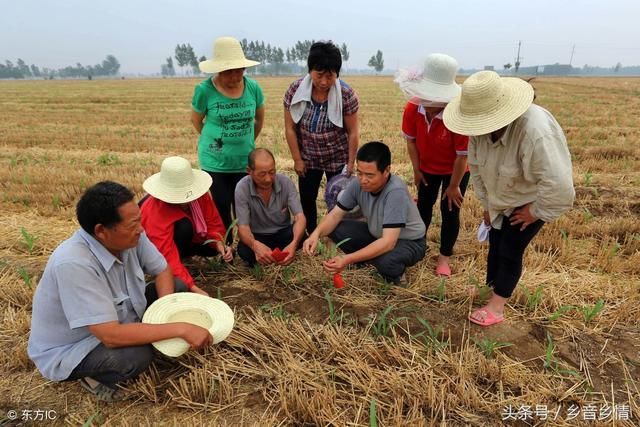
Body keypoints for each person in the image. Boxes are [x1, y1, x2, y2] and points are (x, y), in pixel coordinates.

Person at [28, 182, 213, 401]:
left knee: (177, 286)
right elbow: (110, 335)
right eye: (133, 224)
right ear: (101, 231)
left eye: (139, 221)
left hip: (121, 317)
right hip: (80, 344)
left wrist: (165, 314)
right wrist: (181, 328)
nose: (141, 229)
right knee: (136, 356)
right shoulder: (74, 263)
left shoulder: (132, 235)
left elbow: (163, 269)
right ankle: (94, 377)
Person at [443, 70, 575, 326]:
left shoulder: (534, 131)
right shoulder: (478, 130)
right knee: (496, 243)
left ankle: (497, 305)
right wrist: (488, 205)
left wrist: (534, 211)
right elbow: (478, 169)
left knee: (511, 248)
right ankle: (491, 288)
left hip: (529, 200)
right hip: (500, 198)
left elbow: (559, 185)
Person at [303, 141, 427, 285]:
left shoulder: (395, 192)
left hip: (408, 241)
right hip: (376, 234)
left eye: (369, 175)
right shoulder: (357, 183)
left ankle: (396, 274)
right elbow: (335, 214)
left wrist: (347, 259)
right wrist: (315, 234)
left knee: (386, 261)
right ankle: (369, 258)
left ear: (386, 171)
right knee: (337, 228)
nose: (363, 180)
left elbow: (388, 242)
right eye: (359, 173)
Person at [395, 53, 470, 278]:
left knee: (450, 211)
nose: (428, 104)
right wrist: (417, 170)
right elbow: (411, 141)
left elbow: (462, 156)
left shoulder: (458, 115)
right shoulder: (412, 109)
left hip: (455, 170)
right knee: (423, 208)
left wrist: (454, 185)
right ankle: (418, 246)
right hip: (426, 167)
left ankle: (444, 257)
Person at [191, 36, 265, 244]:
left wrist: (245, 143)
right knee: (222, 205)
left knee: (242, 204)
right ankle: (227, 247)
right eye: (228, 71)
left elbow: (259, 120)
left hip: (243, 160)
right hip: (215, 162)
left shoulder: (253, 88)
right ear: (218, 70)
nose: (235, 76)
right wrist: (217, 143)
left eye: (239, 70)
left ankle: (247, 244)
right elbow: (197, 121)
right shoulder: (204, 90)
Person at [284, 41, 360, 236]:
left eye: (330, 76)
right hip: (308, 157)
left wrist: (350, 163)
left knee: (338, 198)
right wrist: (297, 159)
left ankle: (334, 236)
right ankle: (310, 234)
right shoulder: (295, 90)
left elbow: (353, 132)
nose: (324, 82)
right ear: (310, 70)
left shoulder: (346, 94)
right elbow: (290, 128)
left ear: (337, 74)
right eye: (319, 75)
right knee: (307, 198)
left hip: (337, 156)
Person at [140, 156, 234, 295]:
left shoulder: (199, 195)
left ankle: (186, 255)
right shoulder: (154, 211)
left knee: (211, 249)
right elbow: (165, 256)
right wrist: (193, 288)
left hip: (191, 239)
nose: (185, 201)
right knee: (184, 227)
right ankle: (181, 260)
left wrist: (218, 243)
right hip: (160, 249)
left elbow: (213, 223)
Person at [235, 148, 306, 266]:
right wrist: (254, 245)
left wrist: (293, 243)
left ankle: (282, 254)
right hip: (258, 236)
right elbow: (243, 227)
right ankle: (268, 256)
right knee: (244, 250)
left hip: (283, 233)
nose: (268, 179)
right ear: (249, 171)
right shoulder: (242, 188)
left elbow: (300, 217)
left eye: (272, 172)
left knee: (301, 236)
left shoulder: (286, 182)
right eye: (262, 174)